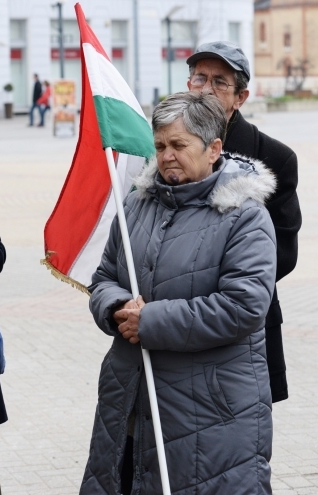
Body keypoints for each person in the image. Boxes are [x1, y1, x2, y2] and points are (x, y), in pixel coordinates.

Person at [81, 91, 276, 494]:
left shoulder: (245, 216)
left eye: (179, 145)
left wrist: (149, 321)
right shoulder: (136, 204)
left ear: (213, 149)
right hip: (131, 398)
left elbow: (244, 306)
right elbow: (103, 277)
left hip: (209, 410)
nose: (167, 155)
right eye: (160, 146)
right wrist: (116, 306)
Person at [186, 41, 301, 403]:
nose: (205, 89)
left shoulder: (275, 158)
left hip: (244, 324)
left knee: (240, 442)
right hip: (175, 324)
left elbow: (282, 252)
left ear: (241, 97)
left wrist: (206, 282)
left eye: (219, 82)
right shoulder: (167, 151)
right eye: (199, 78)